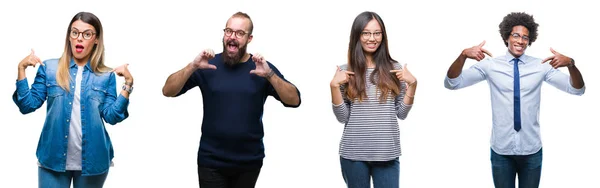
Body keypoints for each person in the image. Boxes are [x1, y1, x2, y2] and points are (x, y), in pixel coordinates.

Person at [444, 12, 585, 188]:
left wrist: (571, 64)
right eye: (516, 35)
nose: (520, 41)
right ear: (506, 37)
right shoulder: (491, 65)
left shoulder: (540, 66)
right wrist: (463, 55)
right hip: (501, 150)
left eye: (525, 37)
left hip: (531, 149)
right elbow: (452, 83)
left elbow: (577, 89)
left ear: (530, 40)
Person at [161, 11, 301, 188]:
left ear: (249, 39)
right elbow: (168, 91)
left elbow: (294, 100)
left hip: (249, 162)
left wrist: (270, 75)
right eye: (229, 31)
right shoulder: (207, 64)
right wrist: (192, 66)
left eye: (240, 33)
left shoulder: (261, 68)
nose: (232, 37)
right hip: (211, 161)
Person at [13, 12, 133, 188]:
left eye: (87, 34)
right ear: (69, 36)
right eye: (75, 32)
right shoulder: (50, 69)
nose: (79, 39)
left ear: (96, 39)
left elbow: (111, 117)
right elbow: (27, 105)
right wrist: (21, 69)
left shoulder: (106, 76)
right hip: (52, 159)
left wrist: (128, 85)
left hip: (93, 161)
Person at [330, 11, 417, 188]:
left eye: (377, 33)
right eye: (366, 33)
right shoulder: (346, 71)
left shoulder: (395, 68)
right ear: (357, 36)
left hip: (387, 153)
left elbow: (401, 113)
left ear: (383, 36)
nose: (372, 38)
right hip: (353, 155)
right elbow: (342, 118)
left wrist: (413, 85)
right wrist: (333, 86)